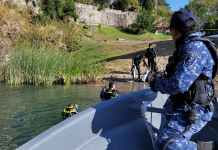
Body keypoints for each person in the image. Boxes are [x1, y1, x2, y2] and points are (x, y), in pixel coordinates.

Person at [146, 9, 217, 150]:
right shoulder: (186, 46)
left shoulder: (194, 49)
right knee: (164, 139)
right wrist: (160, 77)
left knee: (168, 145)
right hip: (182, 104)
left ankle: (202, 148)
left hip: (195, 110)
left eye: (171, 31)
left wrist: (154, 82)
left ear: (177, 31)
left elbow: (178, 85)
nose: (171, 35)